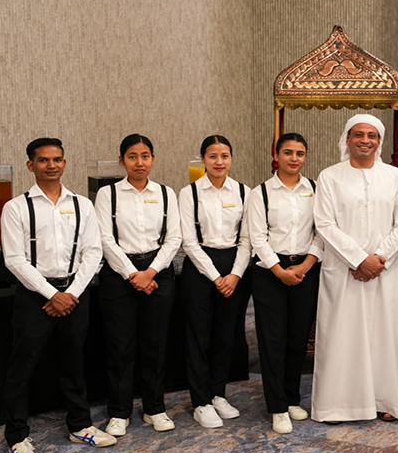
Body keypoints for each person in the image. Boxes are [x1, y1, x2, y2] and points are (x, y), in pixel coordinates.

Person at [0, 137, 114, 453]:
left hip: (74, 293)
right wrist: (52, 295)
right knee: (23, 366)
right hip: (35, 295)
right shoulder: (16, 207)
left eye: (57, 159)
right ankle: (17, 437)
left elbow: (93, 253)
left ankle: (79, 425)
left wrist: (71, 294)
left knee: (74, 361)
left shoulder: (82, 204)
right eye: (43, 160)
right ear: (30, 165)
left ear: (64, 163)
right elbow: (14, 259)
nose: (51, 165)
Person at [311, 114, 398, 423]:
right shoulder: (330, 177)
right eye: (358, 134)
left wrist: (378, 258)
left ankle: (388, 401)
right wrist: (358, 259)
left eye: (372, 135)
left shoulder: (395, 177)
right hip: (344, 270)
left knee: (386, 336)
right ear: (347, 139)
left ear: (379, 142)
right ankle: (337, 405)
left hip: (385, 270)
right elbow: (324, 224)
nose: (365, 140)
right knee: (342, 336)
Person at [94, 134, 182, 437]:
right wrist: (134, 275)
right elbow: (105, 239)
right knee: (120, 345)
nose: (139, 162)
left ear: (153, 159)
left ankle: (154, 408)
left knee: (155, 343)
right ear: (122, 161)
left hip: (159, 272)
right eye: (132, 156)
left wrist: (151, 272)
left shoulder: (166, 193)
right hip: (119, 275)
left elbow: (174, 238)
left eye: (145, 156)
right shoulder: (107, 194)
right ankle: (119, 411)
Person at [246, 133, 322, 434]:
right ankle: (277, 407)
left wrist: (304, 266)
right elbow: (257, 237)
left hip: (305, 270)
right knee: (272, 339)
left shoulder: (314, 189)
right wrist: (279, 271)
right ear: (276, 155)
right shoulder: (261, 193)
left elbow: (321, 232)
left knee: (297, 338)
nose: (294, 158)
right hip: (269, 273)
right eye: (288, 152)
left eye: (300, 153)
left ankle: (291, 398)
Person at [177, 135, 252, 428]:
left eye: (224, 156)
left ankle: (218, 393)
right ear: (203, 159)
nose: (219, 162)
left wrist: (234, 275)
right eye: (213, 156)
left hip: (235, 267)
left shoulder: (244, 192)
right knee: (199, 336)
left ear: (231, 158)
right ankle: (201, 402)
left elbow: (247, 239)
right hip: (200, 268)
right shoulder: (190, 193)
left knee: (226, 335)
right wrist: (216, 277)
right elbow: (189, 241)